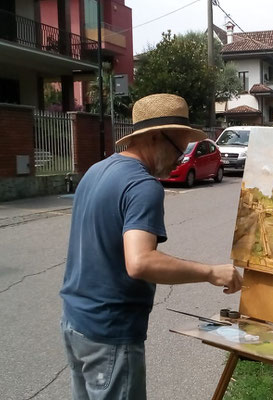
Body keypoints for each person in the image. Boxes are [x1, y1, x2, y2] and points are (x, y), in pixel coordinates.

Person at [59, 93, 242, 400]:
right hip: (110, 332)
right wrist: (210, 272)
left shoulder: (95, 172)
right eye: (178, 150)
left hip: (76, 322)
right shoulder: (144, 186)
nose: (180, 160)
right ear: (156, 137)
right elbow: (140, 262)